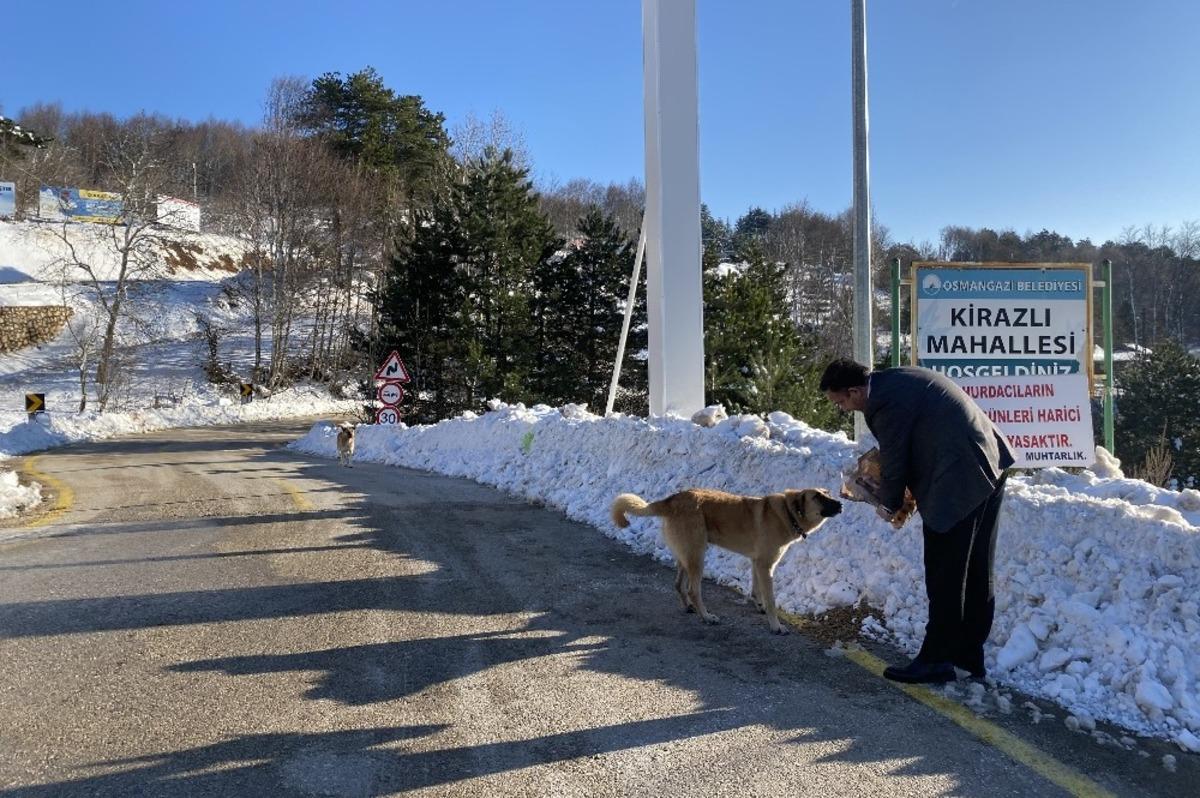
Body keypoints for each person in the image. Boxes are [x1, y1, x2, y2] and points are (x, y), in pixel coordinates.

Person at [820, 358, 1015, 684]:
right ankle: (969, 655)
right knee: (977, 568)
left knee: (944, 571)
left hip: (959, 479)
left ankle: (936, 660)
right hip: (988, 462)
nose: (842, 408)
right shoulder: (897, 379)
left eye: (841, 401)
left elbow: (896, 461)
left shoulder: (883, 403)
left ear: (854, 391)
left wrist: (889, 504)